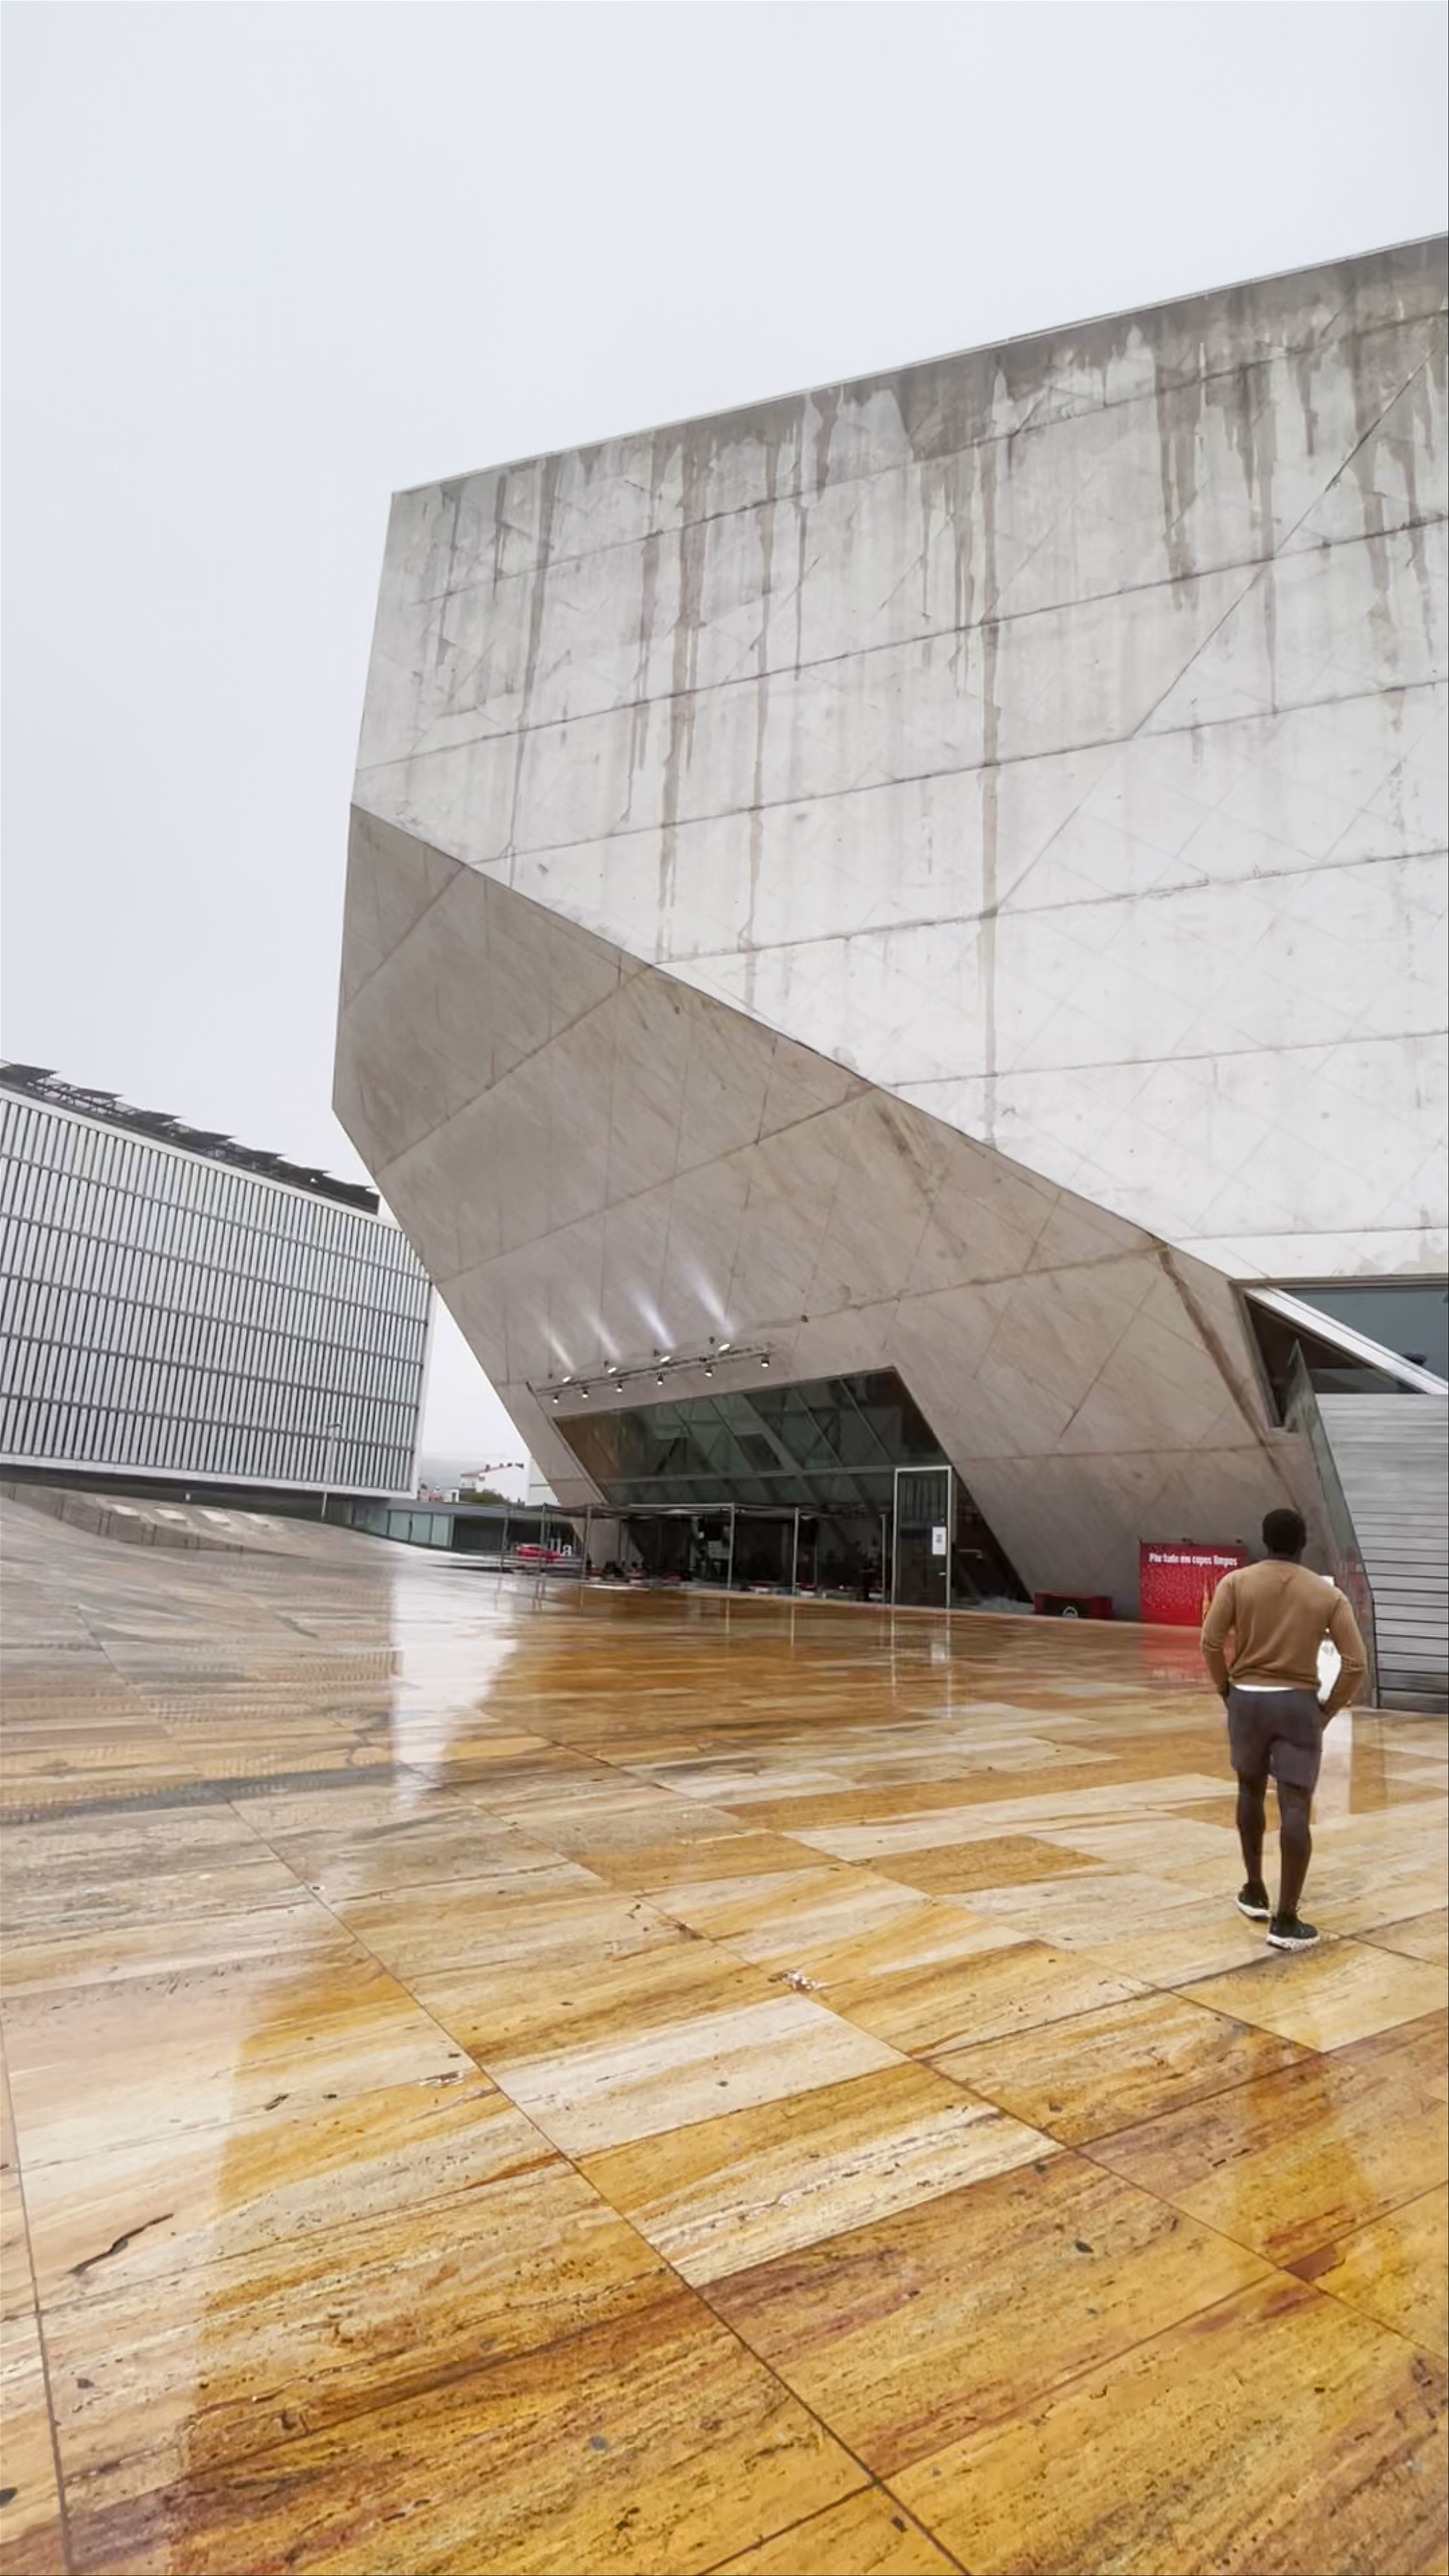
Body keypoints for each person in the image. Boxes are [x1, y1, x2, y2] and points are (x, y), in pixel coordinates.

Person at [1200, 1507, 1367, 1952]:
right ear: (1302, 1542)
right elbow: (1355, 1663)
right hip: (1296, 1703)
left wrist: (1226, 1688)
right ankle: (1287, 1919)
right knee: (1295, 1803)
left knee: (1249, 1791)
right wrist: (1327, 1710)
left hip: (1247, 1699)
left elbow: (1210, 1641)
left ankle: (1254, 1890)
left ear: (1264, 1538)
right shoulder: (1325, 1594)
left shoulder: (1236, 1583)